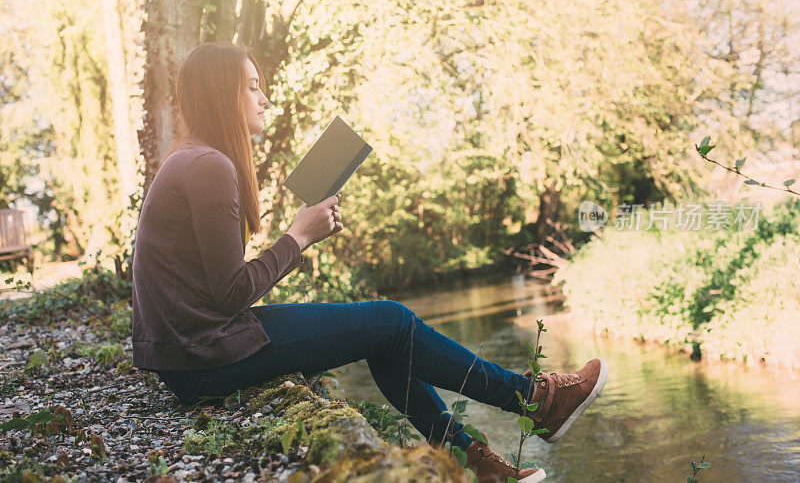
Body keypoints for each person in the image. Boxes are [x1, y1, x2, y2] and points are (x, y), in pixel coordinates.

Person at [131, 42, 609, 483]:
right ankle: (533, 400)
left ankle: (472, 459)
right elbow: (230, 292)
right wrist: (299, 236)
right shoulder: (209, 166)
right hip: (203, 359)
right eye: (252, 86)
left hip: (196, 352)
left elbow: (216, 292)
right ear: (222, 93)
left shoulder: (194, 160)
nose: (264, 97)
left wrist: (301, 235)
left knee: (385, 334)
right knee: (392, 319)